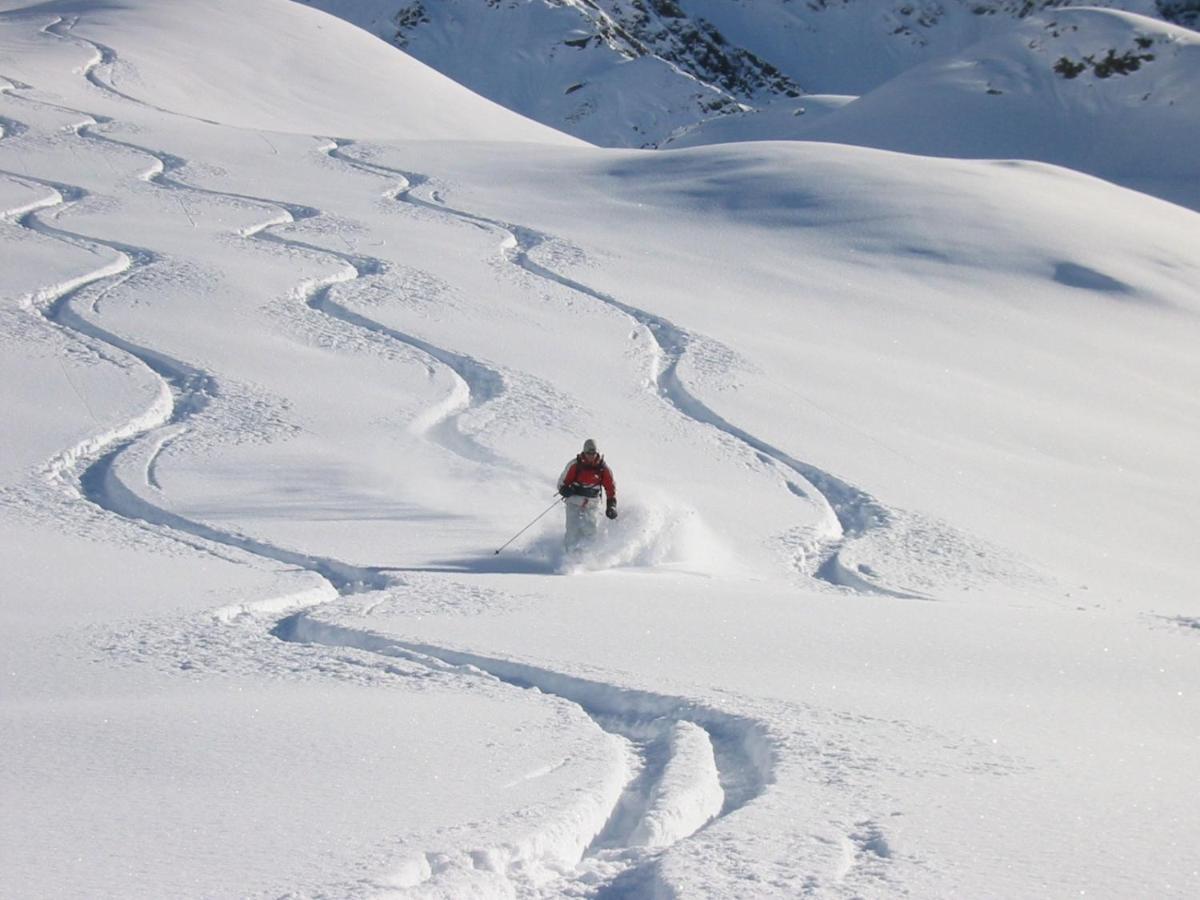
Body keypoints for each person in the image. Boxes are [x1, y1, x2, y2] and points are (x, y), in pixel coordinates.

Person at [557, 438, 617, 551]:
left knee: (590, 530)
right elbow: (561, 483)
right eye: (588, 453)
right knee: (572, 530)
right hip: (574, 501)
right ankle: (568, 557)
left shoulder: (603, 469)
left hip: (592, 504)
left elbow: (610, 488)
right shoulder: (575, 465)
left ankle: (587, 558)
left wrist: (611, 506)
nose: (591, 455)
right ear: (584, 452)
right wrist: (564, 490)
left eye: (593, 453)